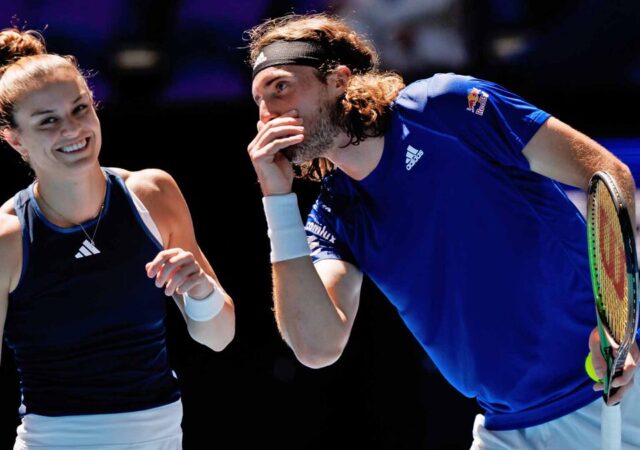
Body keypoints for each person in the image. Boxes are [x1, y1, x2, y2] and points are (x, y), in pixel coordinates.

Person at [245, 13, 640, 449]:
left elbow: (606, 174)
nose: (267, 115)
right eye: (259, 102)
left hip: (619, 394)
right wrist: (277, 200)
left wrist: (621, 329)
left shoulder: (445, 106)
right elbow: (317, 347)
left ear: (338, 80)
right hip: (506, 429)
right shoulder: (335, 216)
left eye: (280, 88)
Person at [0, 28, 235, 449]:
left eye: (79, 109)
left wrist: (201, 288)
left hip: (162, 436)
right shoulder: (7, 238)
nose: (72, 130)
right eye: (48, 121)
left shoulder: (154, 193)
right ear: (14, 139)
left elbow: (218, 336)